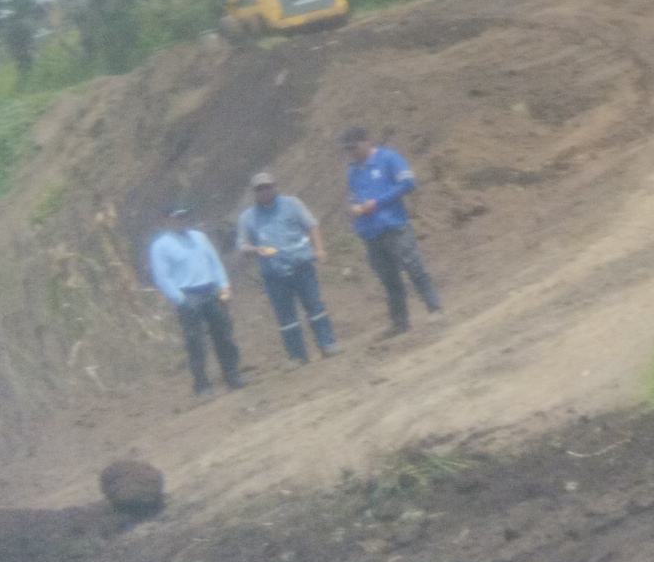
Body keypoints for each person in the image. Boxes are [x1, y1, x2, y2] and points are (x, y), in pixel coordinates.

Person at [339, 123, 445, 334]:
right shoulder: (352, 171)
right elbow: (354, 196)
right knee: (388, 279)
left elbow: (408, 183)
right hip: (371, 232)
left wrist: (378, 202)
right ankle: (399, 322)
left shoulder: (388, 158)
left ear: (366, 141)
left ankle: (434, 307)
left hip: (395, 225)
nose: (351, 152)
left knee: (414, 267)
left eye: (353, 147)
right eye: (347, 149)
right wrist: (353, 208)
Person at [232, 169, 340, 365]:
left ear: (274, 187)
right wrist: (255, 249)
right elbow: (242, 245)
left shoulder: (292, 204)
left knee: (314, 306)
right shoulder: (248, 217)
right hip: (274, 274)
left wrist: (319, 249)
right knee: (286, 317)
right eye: (260, 189)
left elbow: (312, 225)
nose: (264, 191)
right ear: (254, 192)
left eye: (267, 187)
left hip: (301, 266)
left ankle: (328, 344)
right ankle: (297, 356)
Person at [146, 203, 245, 395]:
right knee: (195, 342)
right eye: (177, 217)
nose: (182, 220)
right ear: (167, 220)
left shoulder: (199, 237)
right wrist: (181, 300)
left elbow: (215, 262)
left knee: (224, 335)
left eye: (184, 216)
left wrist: (224, 285)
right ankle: (202, 384)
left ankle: (232, 374)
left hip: (210, 290)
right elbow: (162, 278)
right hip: (188, 295)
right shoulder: (160, 246)